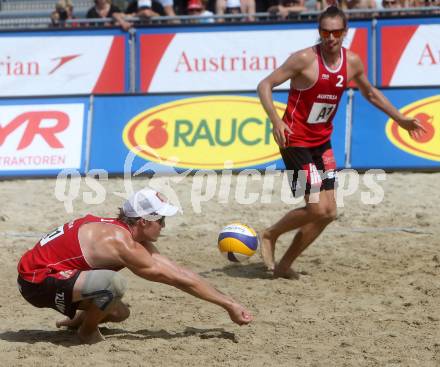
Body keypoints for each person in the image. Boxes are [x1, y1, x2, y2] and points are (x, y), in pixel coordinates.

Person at [257, 6, 426, 279]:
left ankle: (285, 264)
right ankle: (269, 234)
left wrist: (400, 119)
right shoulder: (304, 59)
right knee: (315, 207)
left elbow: (370, 93)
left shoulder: (353, 62)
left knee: (328, 213)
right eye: (326, 31)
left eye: (336, 32)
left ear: (345, 32)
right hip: (295, 140)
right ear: (320, 31)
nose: (331, 37)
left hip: (321, 142)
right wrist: (277, 121)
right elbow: (264, 85)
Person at [17, 188, 252, 344]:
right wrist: (227, 305)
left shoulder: (122, 232)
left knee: (119, 313)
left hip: (54, 274)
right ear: (143, 221)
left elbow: (180, 273)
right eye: (161, 220)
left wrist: (229, 303)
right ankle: (86, 332)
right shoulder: (120, 243)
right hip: (35, 281)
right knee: (112, 284)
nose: (164, 226)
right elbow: (176, 279)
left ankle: (77, 320)